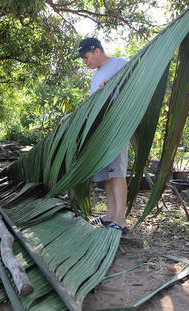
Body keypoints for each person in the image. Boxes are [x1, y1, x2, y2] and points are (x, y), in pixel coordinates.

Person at [64, 37, 129, 233]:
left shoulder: (120, 63)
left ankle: (121, 220)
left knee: (117, 174)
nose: (85, 62)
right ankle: (110, 216)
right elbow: (93, 104)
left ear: (97, 51)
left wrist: (114, 83)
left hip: (117, 127)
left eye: (86, 57)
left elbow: (137, 83)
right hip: (101, 131)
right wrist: (72, 116)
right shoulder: (95, 76)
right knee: (107, 175)